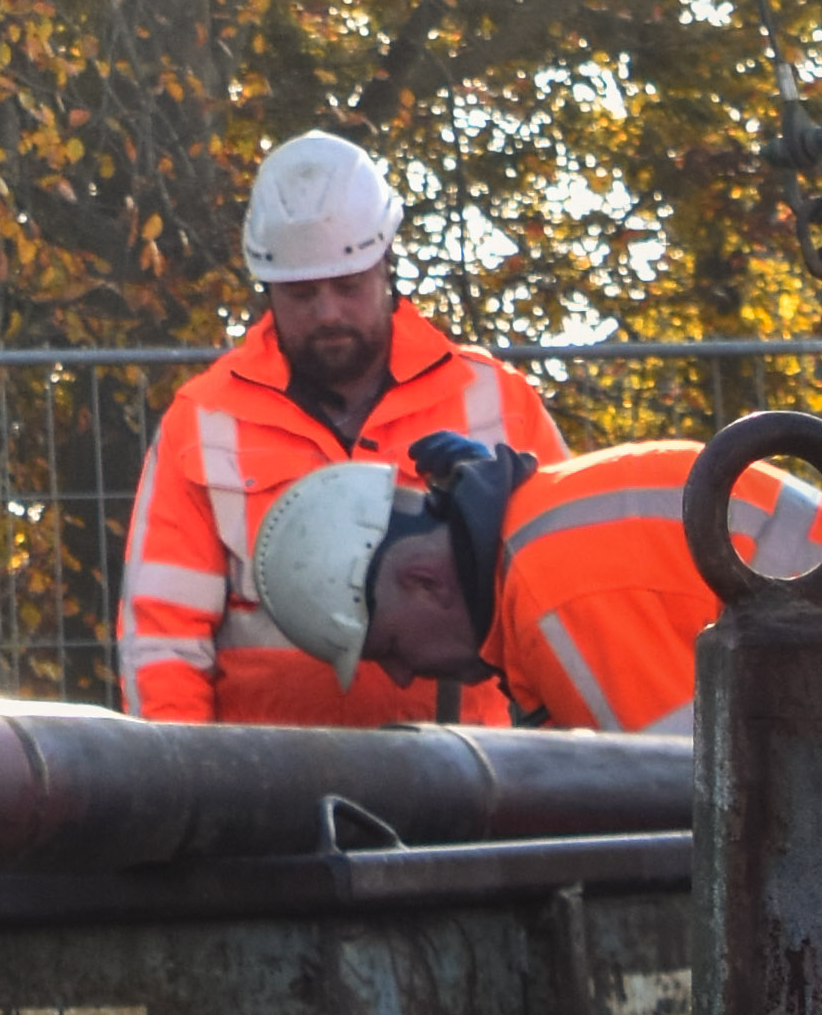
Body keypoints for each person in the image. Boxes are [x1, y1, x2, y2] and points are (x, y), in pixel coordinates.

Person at [245, 427, 822, 768]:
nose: (399, 678)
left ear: (422, 580)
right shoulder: (545, 535)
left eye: (388, 648)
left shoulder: (548, 596)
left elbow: (689, 819)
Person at [112, 129, 568, 726]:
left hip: (477, 783)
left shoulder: (493, 397)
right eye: (303, 295)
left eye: (348, 287)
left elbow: (557, 598)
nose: (328, 312)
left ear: (385, 269)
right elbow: (162, 637)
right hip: (268, 788)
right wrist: (187, 794)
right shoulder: (204, 420)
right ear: (268, 291)